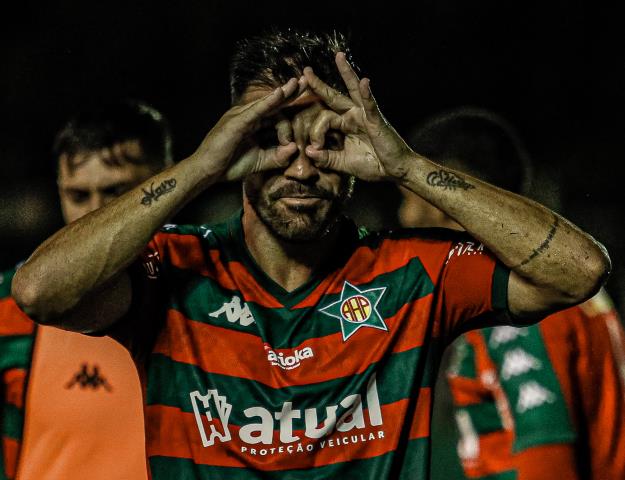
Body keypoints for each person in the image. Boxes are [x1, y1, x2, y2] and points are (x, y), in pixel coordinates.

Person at [10, 30, 610, 479]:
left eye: (327, 140)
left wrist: (407, 167)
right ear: (235, 141)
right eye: (271, 139)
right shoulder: (174, 267)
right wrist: (198, 169)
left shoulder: (413, 271)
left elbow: (578, 272)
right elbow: (39, 291)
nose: (299, 166)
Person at [398, 107, 625, 479]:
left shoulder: (519, 306)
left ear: (439, 199)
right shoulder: (553, 285)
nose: (404, 216)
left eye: (406, 195)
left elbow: (546, 458)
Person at [0, 99, 173, 479]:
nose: (95, 214)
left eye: (115, 192)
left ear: (166, 182)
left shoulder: (215, 298)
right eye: (78, 196)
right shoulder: (8, 309)